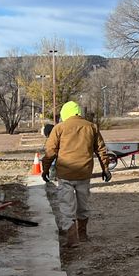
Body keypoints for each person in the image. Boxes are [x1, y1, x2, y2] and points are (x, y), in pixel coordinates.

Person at [42, 101, 111, 247]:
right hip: (84, 173)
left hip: (65, 174)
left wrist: (45, 169)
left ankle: (72, 239)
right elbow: (101, 150)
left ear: (64, 114)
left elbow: (50, 152)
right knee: (83, 205)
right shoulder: (91, 127)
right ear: (79, 112)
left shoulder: (59, 128)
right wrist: (106, 169)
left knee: (67, 206)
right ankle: (83, 234)